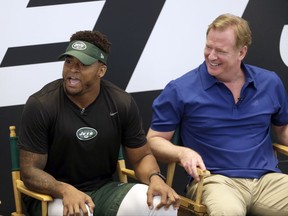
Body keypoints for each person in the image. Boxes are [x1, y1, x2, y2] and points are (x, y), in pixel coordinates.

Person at [18, 30, 180, 216]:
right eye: (68, 61)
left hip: (103, 190)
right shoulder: (41, 104)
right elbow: (30, 172)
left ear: (101, 70)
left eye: (83, 64)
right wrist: (64, 189)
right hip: (51, 196)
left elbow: (141, 157)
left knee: (162, 203)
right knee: (81, 211)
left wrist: (155, 178)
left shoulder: (121, 102)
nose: (72, 69)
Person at [147, 13, 288, 216]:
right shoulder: (180, 89)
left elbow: (283, 128)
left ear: (242, 52)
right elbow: (154, 140)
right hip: (215, 179)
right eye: (208, 47)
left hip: (268, 179)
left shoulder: (269, 82)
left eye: (221, 51)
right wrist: (182, 152)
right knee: (227, 212)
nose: (211, 56)